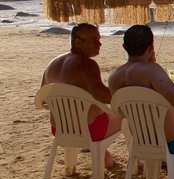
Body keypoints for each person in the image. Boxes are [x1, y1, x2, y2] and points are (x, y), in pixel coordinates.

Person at [108, 25, 174, 154]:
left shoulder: (114, 77)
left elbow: (122, 112)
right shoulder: (152, 71)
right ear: (151, 47)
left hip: (143, 140)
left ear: (124, 47)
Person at [41, 23, 122, 167]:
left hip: (59, 129)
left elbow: (43, 99)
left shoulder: (52, 64)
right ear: (78, 42)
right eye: (94, 40)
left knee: (95, 112)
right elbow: (102, 96)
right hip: (89, 130)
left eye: (99, 39)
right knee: (130, 114)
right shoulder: (87, 65)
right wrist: (125, 95)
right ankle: (139, 161)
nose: (100, 43)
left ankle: (104, 156)